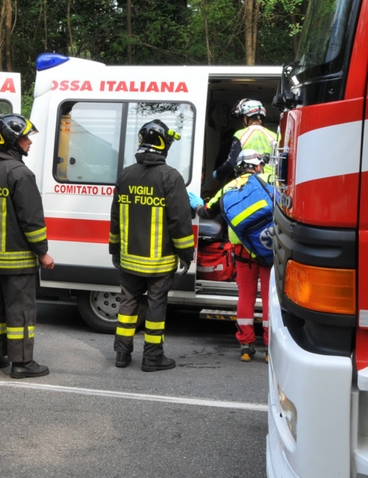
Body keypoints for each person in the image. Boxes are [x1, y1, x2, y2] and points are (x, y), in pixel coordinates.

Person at [0, 113, 54, 379]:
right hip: (16, 259)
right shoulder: (20, 173)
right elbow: (32, 221)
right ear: (12, 140)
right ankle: (21, 363)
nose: (29, 142)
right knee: (20, 310)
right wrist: (42, 252)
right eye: (25, 138)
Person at [109, 119, 194, 372]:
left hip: (128, 258)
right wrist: (186, 254)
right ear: (164, 145)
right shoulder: (170, 177)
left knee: (127, 305)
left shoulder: (126, 174)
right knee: (156, 306)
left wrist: (115, 251)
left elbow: (116, 217)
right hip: (159, 262)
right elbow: (180, 221)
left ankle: (122, 355)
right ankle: (152, 357)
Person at [190, 149, 272, 362]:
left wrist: (197, 204)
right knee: (268, 299)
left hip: (242, 250)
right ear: (257, 165)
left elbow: (207, 212)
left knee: (246, 296)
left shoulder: (228, 187)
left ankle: (246, 345)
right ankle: (270, 348)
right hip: (267, 248)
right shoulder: (269, 180)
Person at [212, 99, 277, 182]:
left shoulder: (240, 134)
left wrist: (216, 174)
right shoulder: (274, 136)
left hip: (248, 182)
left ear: (246, 117)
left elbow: (231, 163)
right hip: (271, 183)